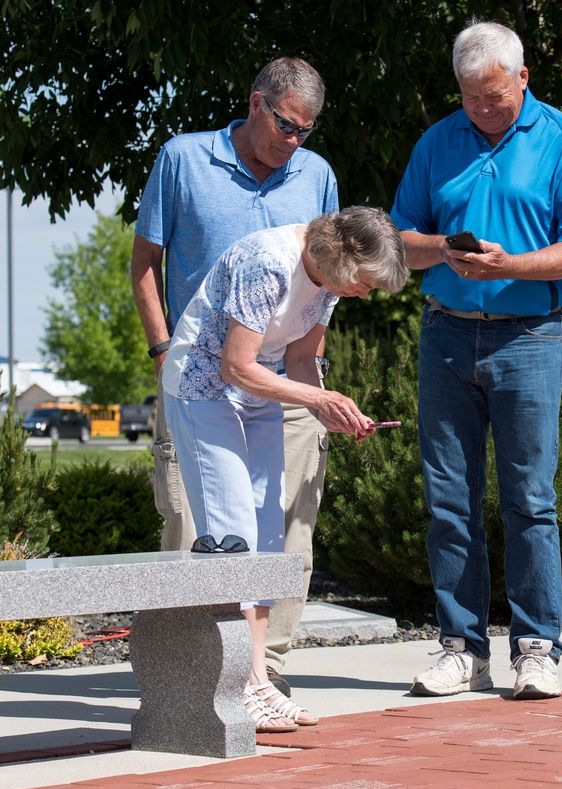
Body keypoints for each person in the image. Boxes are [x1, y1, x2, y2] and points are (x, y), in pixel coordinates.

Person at [390, 20, 562, 700]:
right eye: (470, 97)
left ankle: (537, 649)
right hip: (446, 336)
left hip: (530, 338)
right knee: (449, 502)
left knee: (530, 502)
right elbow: (399, 238)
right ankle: (461, 649)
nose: (483, 110)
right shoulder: (436, 142)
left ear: (522, 77)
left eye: (494, 96)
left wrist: (509, 266)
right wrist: (441, 252)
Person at [131, 56, 338, 697]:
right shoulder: (183, 159)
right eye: (284, 124)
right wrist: (162, 346)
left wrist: (314, 375)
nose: (293, 141)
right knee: (199, 526)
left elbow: (327, 272)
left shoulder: (316, 174)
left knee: (283, 529)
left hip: (287, 380)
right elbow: (144, 263)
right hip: (201, 381)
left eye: (306, 130)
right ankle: (189, 679)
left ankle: (261, 675)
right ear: (255, 104)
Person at [161, 206, 408, 731]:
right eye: (367, 282)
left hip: (257, 391)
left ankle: (257, 680)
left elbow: (298, 363)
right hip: (205, 390)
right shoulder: (266, 261)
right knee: (232, 537)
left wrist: (334, 409)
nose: (367, 293)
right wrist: (321, 399)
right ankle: (232, 689)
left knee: (269, 539)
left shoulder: (331, 283)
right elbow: (236, 365)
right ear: (344, 258)